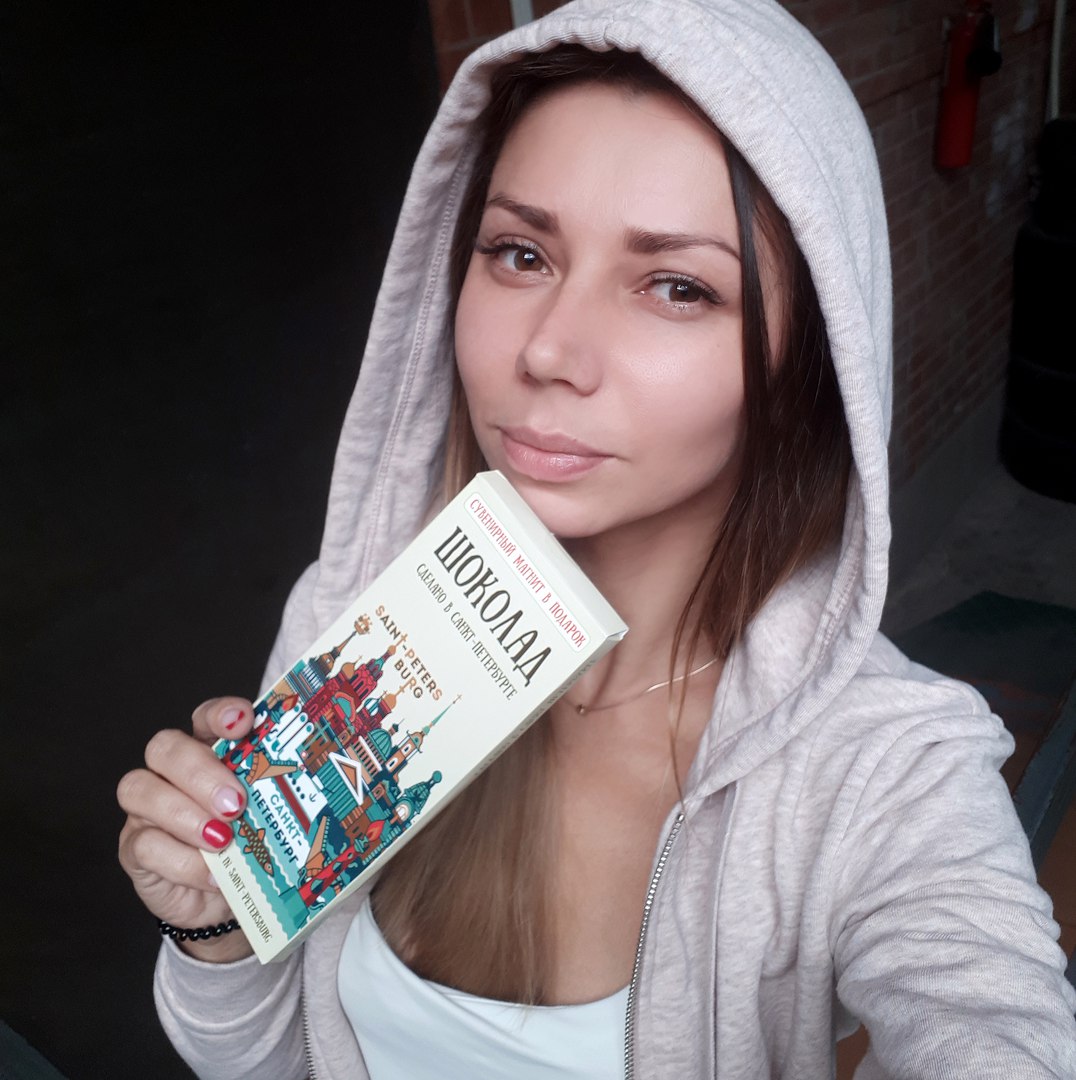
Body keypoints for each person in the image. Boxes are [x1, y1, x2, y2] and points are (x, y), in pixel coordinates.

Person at [116, 1, 1076, 1077]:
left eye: (677, 287)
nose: (549, 351)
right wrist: (218, 931)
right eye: (520, 253)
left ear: (808, 363)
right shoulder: (357, 626)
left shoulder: (883, 771)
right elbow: (273, 1063)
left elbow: (988, 1020)